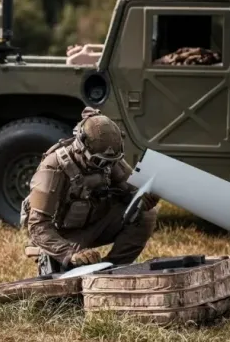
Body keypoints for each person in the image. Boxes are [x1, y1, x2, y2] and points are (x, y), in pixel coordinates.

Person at [21, 107, 160, 272]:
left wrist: (145, 197)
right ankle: (53, 258)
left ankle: (112, 269)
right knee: (66, 288)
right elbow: (37, 226)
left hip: (94, 224)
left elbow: (133, 192)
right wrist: (70, 254)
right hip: (62, 236)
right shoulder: (53, 169)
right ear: (81, 148)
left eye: (112, 161)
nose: (107, 166)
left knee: (145, 215)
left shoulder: (108, 159)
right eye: (99, 162)